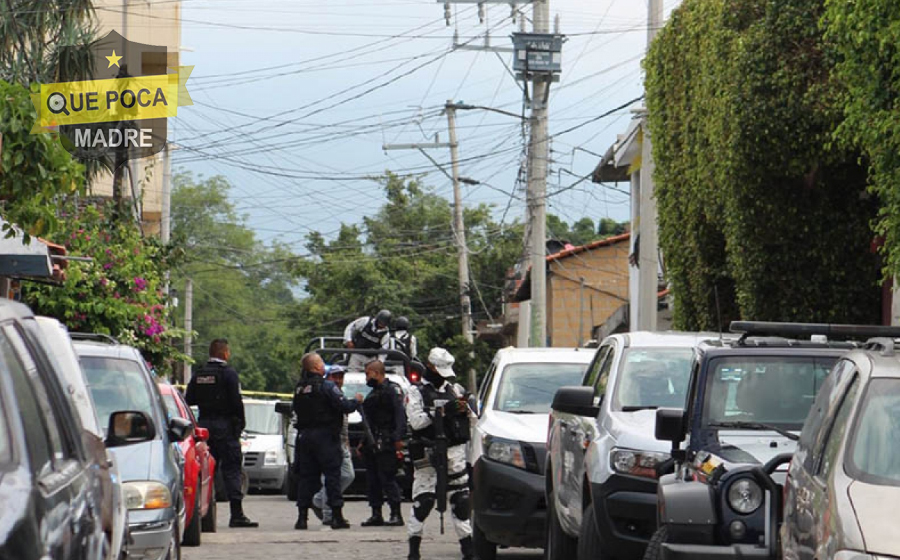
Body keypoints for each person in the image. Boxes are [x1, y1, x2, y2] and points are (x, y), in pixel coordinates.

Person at [405, 348, 474, 560]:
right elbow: (416, 422)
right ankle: (414, 551)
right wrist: (441, 412)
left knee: (461, 503)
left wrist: (465, 408)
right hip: (428, 453)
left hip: (455, 454)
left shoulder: (454, 389)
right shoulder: (415, 391)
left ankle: (469, 552)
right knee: (424, 502)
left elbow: (472, 419)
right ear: (430, 366)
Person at [185, 339, 258, 528]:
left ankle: (205, 515)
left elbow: (189, 398)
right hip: (225, 427)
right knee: (232, 470)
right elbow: (236, 401)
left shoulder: (199, 373)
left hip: (205, 426)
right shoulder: (228, 374)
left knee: (206, 471)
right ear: (225, 353)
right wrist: (239, 424)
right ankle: (237, 514)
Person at [292, 353, 363, 530]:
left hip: (305, 437)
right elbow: (344, 406)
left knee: (306, 478)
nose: (324, 366)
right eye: (321, 363)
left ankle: (302, 518)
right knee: (332, 476)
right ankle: (337, 516)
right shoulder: (327, 386)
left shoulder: (300, 388)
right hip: (326, 438)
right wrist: (356, 401)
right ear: (316, 367)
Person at [360, 360, 407, 528]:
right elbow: (368, 422)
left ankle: (396, 513)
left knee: (387, 477)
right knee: (372, 479)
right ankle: (376, 513)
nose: (367, 377)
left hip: (387, 439)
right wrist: (362, 443)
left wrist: (398, 438)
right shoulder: (372, 394)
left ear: (376, 373)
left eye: (368, 373)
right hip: (371, 441)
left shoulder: (392, 390)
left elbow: (400, 415)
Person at [311, 365, 356, 526]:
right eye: (334, 377)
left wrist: (347, 443)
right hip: (329, 443)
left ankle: (318, 500)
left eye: (340, 377)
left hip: (342, 443)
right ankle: (329, 514)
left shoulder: (340, 395)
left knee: (348, 475)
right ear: (327, 378)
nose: (338, 380)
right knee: (331, 479)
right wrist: (356, 402)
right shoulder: (326, 394)